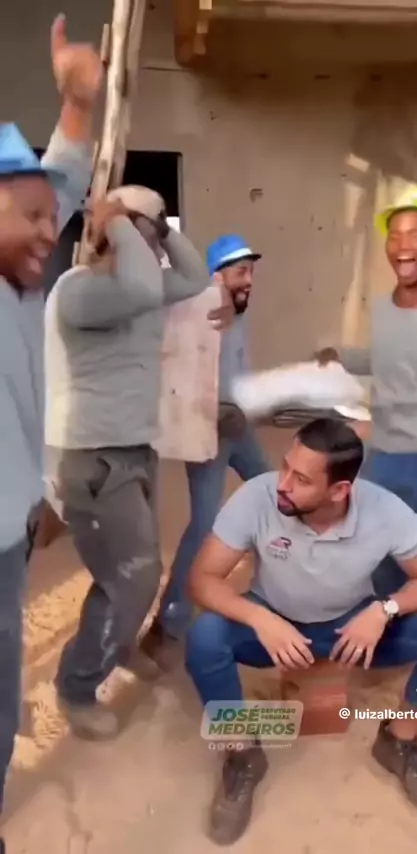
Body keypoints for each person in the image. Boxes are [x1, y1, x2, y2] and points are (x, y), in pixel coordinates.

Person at [185, 417, 417, 845]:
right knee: (205, 638)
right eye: (286, 466)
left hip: (351, 626)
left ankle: (399, 741)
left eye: (301, 479)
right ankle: (242, 754)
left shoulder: (385, 511)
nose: (282, 484)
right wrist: (260, 619)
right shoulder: (258, 497)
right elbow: (202, 579)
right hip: (274, 622)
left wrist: (384, 610)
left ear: (339, 491)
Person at [44, 185, 232, 740]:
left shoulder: (141, 291)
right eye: (143, 235)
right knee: (131, 575)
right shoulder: (80, 290)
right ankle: (77, 686)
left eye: (152, 236)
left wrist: (162, 226)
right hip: (92, 457)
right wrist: (117, 220)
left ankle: (117, 641)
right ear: (113, 234)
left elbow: (194, 278)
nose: (151, 248)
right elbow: (143, 283)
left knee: (138, 569)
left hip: (132, 450)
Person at [0, 15, 101, 849]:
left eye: (52, 217)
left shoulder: (25, 283)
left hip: (10, 523)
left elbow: (62, 176)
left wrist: (76, 101)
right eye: (31, 216)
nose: (51, 232)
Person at [317, 186, 417, 600]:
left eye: (416, 234)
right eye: (395, 235)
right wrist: (343, 357)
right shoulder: (384, 309)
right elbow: (391, 358)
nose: (402, 246)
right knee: (382, 567)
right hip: (385, 459)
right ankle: (391, 634)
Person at [142, 234, 269, 651]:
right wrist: (211, 410)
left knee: (275, 493)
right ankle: (168, 624)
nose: (249, 280)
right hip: (208, 432)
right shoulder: (194, 311)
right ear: (216, 276)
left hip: (239, 428)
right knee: (204, 525)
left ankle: (281, 590)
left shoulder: (238, 310)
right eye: (241, 272)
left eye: (251, 272)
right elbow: (174, 371)